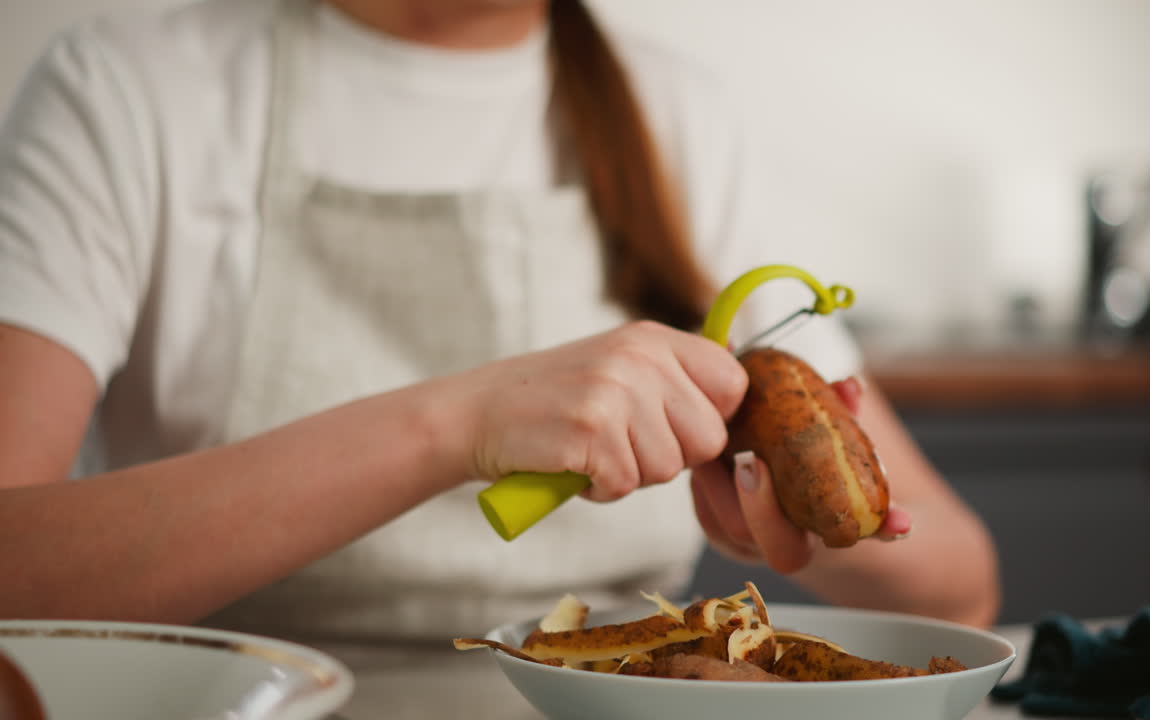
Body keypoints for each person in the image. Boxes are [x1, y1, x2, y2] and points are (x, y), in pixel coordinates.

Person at [0, 0, 999, 641]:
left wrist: (798, 520)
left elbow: (959, 589)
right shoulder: (126, 91)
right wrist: (454, 428)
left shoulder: (673, 113)